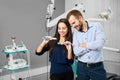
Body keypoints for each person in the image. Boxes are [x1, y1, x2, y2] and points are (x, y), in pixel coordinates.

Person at [66, 9, 107, 80]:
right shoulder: (75, 33)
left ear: (80, 18)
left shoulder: (97, 26)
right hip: (81, 67)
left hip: (97, 68)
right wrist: (92, 46)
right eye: (71, 25)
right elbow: (76, 52)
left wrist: (85, 45)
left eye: (74, 23)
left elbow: (99, 44)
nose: (73, 26)